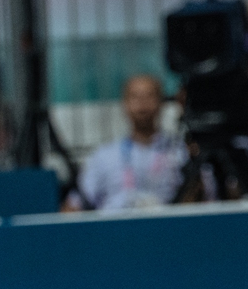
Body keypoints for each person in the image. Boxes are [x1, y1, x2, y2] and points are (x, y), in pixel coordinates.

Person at [73, 74, 187, 211]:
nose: (142, 104)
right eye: (135, 97)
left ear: (161, 103)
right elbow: (74, 206)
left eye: (149, 96)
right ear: (124, 104)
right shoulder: (103, 156)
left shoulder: (180, 151)